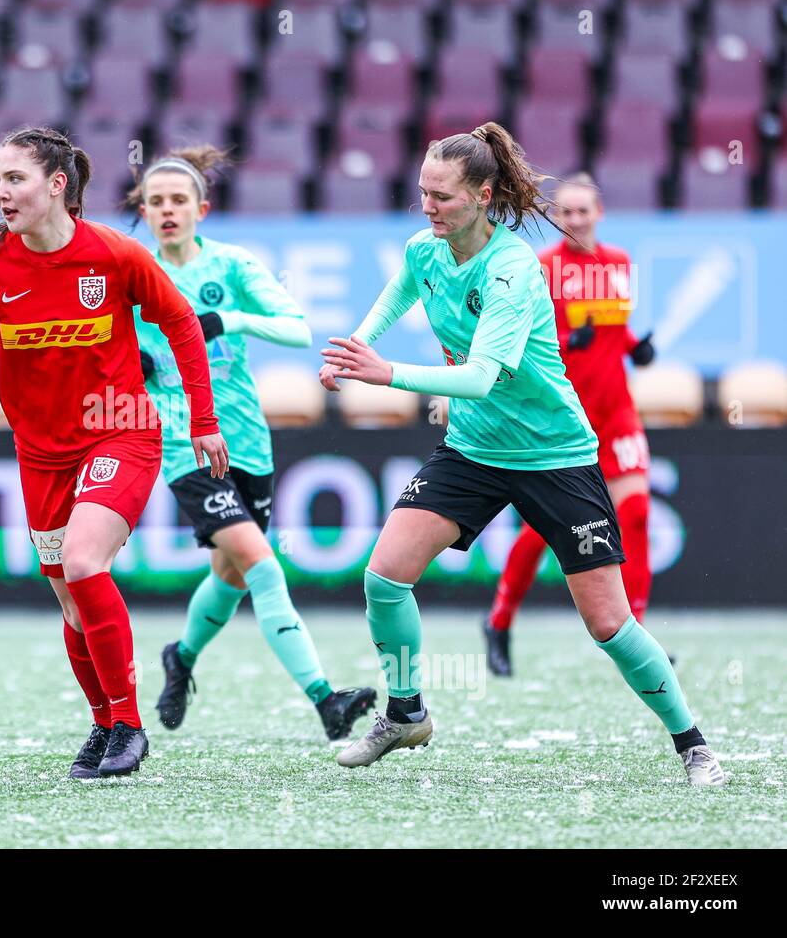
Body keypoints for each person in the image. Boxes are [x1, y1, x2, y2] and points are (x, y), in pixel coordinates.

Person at [319, 123, 724, 786]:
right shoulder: (427, 250)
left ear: (482, 195)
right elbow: (402, 288)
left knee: (608, 623)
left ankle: (693, 744)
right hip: (474, 450)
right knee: (384, 577)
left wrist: (384, 371)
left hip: (554, 454)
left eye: (442, 196)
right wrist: (353, 345)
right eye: (422, 193)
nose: (428, 207)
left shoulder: (512, 271)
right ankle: (405, 711)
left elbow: (481, 378)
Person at [0, 127, 229, 779]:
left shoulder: (113, 255)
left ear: (57, 185)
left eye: (15, 179)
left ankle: (131, 728)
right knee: (69, 601)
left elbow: (180, 323)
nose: (1, 192)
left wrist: (203, 419)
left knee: (85, 562)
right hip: (41, 453)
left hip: (122, 429)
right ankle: (106, 722)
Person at [126, 145, 376, 739]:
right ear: (143, 209)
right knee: (262, 568)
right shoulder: (132, 271)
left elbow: (297, 328)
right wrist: (126, 362)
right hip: (185, 442)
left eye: (178, 201)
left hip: (247, 440)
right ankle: (326, 699)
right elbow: (99, 344)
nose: (166, 211)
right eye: (154, 202)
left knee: (231, 574)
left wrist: (229, 319)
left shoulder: (232, 268)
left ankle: (180, 657)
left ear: (201, 209)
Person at [484, 172, 656, 676]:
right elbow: (521, 343)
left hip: (617, 410)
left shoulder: (620, 264)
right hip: (565, 417)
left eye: (584, 210)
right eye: (567, 211)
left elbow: (614, 332)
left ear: (599, 212)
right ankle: (499, 621)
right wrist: (565, 341)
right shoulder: (541, 269)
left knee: (639, 514)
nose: (576, 219)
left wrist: (634, 349)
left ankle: (636, 633)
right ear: (556, 216)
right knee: (545, 531)